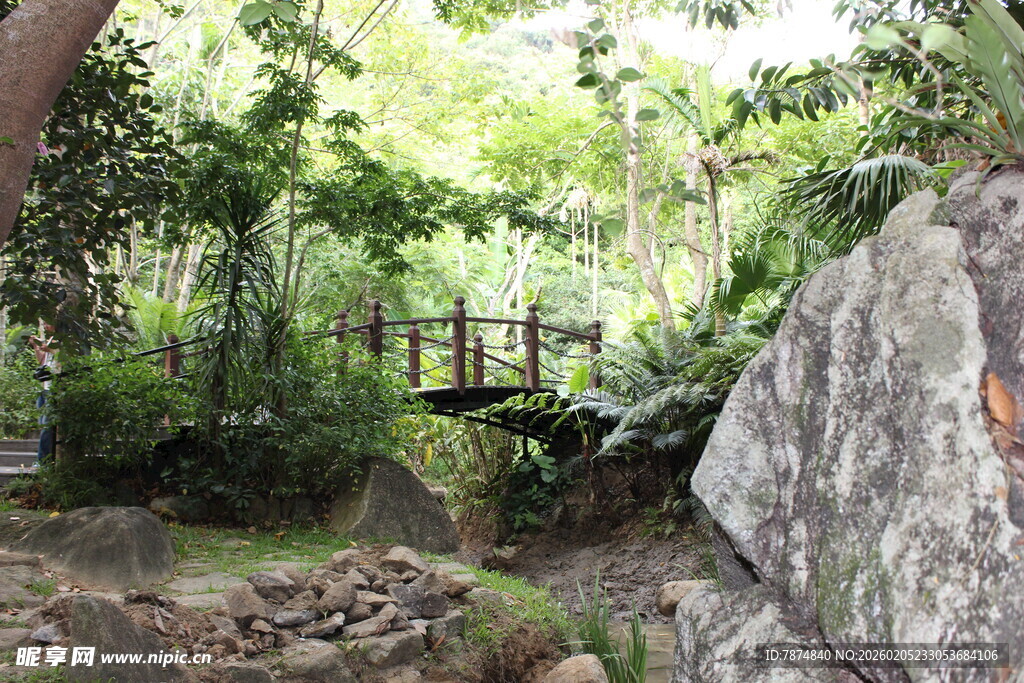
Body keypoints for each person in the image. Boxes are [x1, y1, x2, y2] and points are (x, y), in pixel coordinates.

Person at [27, 323, 56, 463]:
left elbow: (67, 358)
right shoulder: (51, 340)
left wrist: (51, 349)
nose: (45, 326)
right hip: (45, 388)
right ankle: (46, 459)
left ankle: (43, 461)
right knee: (43, 425)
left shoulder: (65, 341)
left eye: (47, 323)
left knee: (47, 426)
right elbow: (42, 361)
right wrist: (36, 346)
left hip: (55, 388)